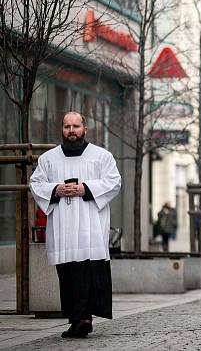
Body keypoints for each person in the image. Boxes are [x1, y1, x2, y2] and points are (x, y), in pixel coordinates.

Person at [30, 112, 122, 339]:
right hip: (63, 226)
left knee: (88, 272)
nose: (72, 131)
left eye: (76, 126)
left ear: (85, 128)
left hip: (90, 224)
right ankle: (77, 319)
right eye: (67, 126)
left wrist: (86, 189)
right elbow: (36, 184)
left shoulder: (102, 156)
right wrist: (56, 190)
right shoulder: (48, 159)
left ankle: (83, 318)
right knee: (68, 273)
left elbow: (114, 182)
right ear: (62, 129)